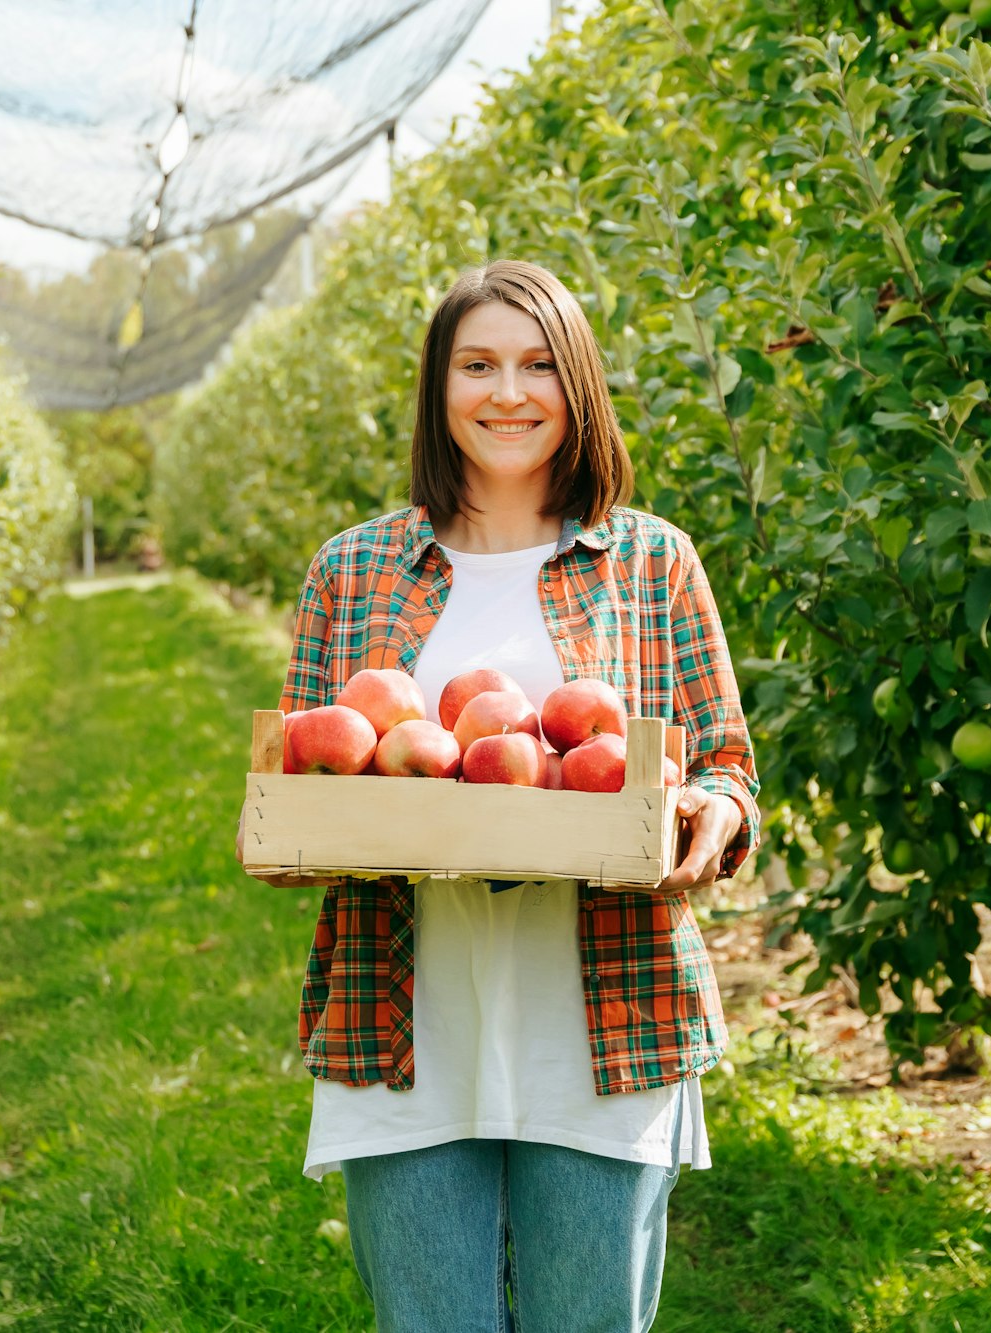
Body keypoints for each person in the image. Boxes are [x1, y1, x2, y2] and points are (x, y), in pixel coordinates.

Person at [241, 259, 759, 1332]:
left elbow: (723, 763)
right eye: (476, 365)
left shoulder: (651, 563)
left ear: (576, 386)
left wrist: (715, 815)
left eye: (536, 366)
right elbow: (297, 772)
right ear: (440, 389)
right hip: (406, 1017)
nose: (507, 393)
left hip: (605, 1017)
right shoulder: (353, 569)